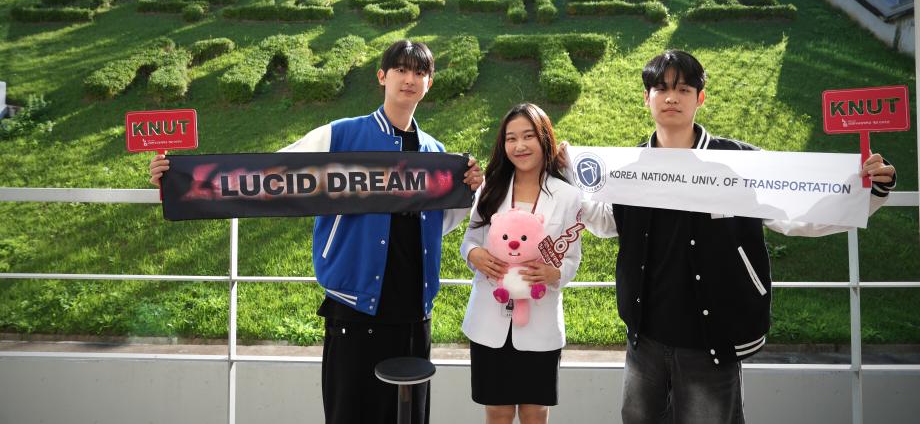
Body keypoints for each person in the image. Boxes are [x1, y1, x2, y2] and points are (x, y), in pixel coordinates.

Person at [150, 39, 483, 424]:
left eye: (420, 72)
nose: (410, 79)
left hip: (414, 309)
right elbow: (266, 177)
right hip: (354, 305)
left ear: (429, 83)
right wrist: (179, 179)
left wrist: (471, 187)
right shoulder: (339, 136)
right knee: (351, 413)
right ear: (382, 76)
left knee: (409, 417)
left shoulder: (436, 152)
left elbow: (443, 222)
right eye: (401, 70)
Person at [578, 49, 896, 424]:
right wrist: (566, 187)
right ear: (646, 98)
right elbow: (607, 221)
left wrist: (871, 190)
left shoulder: (739, 163)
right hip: (644, 340)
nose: (671, 97)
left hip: (711, 340)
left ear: (700, 97)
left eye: (683, 89)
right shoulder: (629, 168)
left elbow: (799, 216)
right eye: (661, 88)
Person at [461, 103, 590, 424]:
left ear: (544, 139)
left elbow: (572, 257)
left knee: (535, 413)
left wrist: (555, 273)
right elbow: (470, 240)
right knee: (498, 413)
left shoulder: (567, 195)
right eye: (511, 138)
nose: (519, 146)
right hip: (489, 321)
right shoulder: (491, 188)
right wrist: (474, 255)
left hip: (540, 322)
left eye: (528, 136)